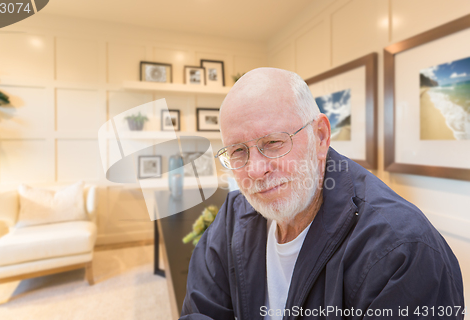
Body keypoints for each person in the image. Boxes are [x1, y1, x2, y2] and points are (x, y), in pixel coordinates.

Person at [179, 68, 464, 320]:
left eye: (274, 142)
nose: (255, 170)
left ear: (321, 137)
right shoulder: (235, 213)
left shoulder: (402, 250)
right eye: (238, 151)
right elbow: (200, 310)